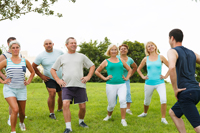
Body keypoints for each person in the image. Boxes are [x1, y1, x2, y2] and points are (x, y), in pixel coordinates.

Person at [50, 37, 95, 133]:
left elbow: (92, 66)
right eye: (71, 43)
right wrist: (58, 80)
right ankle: (68, 127)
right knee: (65, 104)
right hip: (67, 86)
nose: (74, 44)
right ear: (66, 45)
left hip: (80, 85)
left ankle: (81, 122)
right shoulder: (62, 57)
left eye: (75, 43)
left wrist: (88, 77)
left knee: (82, 107)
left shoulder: (81, 56)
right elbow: (53, 70)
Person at [167, 29, 200, 132]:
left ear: (172, 38)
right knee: (173, 112)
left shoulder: (172, 51)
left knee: (197, 126)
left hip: (185, 93)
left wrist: (175, 89)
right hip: (196, 91)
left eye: (169, 39)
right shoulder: (192, 53)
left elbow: (172, 67)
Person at [0, 40, 35, 133]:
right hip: (9, 89)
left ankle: (22, 122)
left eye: (17, 47)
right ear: (10, 49)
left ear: (19, 49)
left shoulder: (25, 61)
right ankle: (13, 131)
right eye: (13, 48)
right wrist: (2, 80)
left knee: (22, 112)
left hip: (21, 89)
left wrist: (28, 81)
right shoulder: (6, 61)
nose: (15, 49)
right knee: (15, 109)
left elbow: (32, 72)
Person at [95, 44, 132, 126]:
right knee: (111, 104)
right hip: (110, 85)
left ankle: (123, 120)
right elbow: (97, 71)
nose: (114, 51)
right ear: (109, 51)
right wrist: (105, 78)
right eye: (112, 49)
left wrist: (127, 78)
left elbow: (130, 69)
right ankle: (109, 115)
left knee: (123, 101)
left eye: (115, 49)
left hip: (122, 84)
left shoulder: (121, 60)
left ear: (117, 51)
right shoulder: (106, 61)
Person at [137, 41, 169, 124]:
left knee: (163, 99)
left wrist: (165, 76)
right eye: (148, 46)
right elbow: (138, 69)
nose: (150, 47)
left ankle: (163, 118)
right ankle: (144, 113)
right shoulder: (145, 58)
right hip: (149, 83)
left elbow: (171, 67)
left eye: (152, 45)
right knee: (147, 101)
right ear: (147, 49)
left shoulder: (161, 57)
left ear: (155, 47)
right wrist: (143, 76)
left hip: (160, 83)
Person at [32, 39, 64, 120]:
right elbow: (33, 66)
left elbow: (67, 60)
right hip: (49, 78)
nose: (48, 45)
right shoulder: (41, 56)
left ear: (53, 44)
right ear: (44, 45)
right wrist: (41, 76)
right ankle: (51, 113)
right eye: (46, 44)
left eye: (50, 43)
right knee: (52, 93)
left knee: (61, 94)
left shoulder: (59, 52)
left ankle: (60, 108)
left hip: (60, 78)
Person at [0, 37, 23, 126]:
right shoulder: (4, 56)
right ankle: (10, 118)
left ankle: (17, 114)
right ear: (8, 45)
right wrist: (3, 77)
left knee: (18, 99)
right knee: (12, 100)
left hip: (19, 82)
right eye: (12, 43)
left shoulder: (20, 55)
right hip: (10, 82)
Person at [116, 44, 137, 115]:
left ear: (127, 50)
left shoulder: (130, 59)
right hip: (116, 79)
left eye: (125, 48)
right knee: (114, 94)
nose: (123, 50)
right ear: (119, 50)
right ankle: (111, 107)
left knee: (127, 93)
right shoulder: (116, 58)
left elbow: (135, 67)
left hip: (126, 79)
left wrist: (129, 75)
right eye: (121, 49)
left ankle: (128, 109)